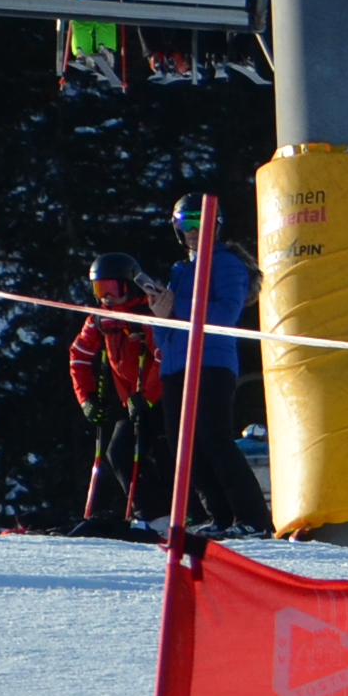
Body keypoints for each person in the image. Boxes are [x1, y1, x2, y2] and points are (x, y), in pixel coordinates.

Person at [150, 191, 266, 532]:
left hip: (211, 362)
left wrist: (175, 306)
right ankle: (221, 517)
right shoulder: (180, 270)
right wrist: (160, 314)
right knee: (185, 447)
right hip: (176, 365)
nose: (192, 230)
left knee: (214, 439)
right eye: (185, 222)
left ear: (215, 225)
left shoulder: (226, 263)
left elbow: (225, 314)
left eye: (200, 222)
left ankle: (253, 519)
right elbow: (165, 335)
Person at [67, 252, 162, 529]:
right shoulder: (100, 318)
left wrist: (147, 397)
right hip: (130, 401)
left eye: (113, 289)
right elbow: (79, 356)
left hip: (160, 397)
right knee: (119, 453)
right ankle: (153, 514)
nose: (106, 297)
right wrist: (86, 399)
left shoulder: (148, 313)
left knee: (164, 453)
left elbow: (163, 356)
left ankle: (182, 513)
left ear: (130, 286)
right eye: (100, 289)